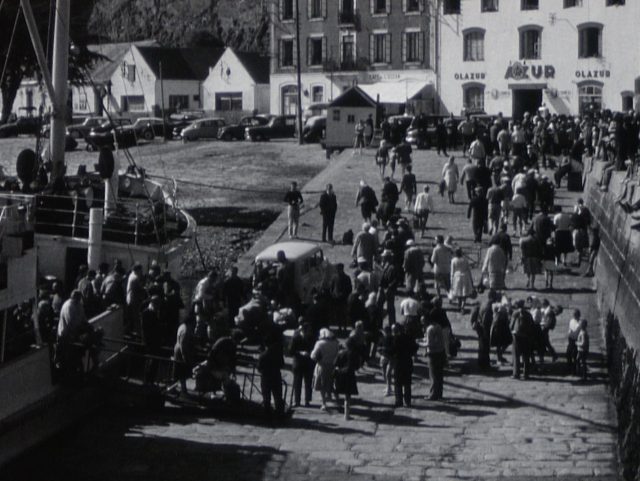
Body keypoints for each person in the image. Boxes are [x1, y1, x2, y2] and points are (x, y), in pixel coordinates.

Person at [258, 322, 286, 417]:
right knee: (278, 396)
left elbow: (259, 368)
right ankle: (280, 414)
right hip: (276, 376)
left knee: (266, 398)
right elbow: (282, 364)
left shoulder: (263, 355)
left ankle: (267, 414)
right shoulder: (278, 354)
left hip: (266, 378)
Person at [310, 328, 340, 411]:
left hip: (322, 366)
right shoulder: (335, 343)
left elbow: (313, 356)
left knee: (322, 385)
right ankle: (336, 400)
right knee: (332, 383)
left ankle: (324, 403)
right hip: (332, 365)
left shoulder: (319, 343)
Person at [470, 289, 500, 370]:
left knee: (482, 347)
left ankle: (482, 363)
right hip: (484, 329)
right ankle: (485, 365)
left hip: (480, 328)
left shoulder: (484, 303)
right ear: (493, 297)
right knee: (485, 348)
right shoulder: (488, 306)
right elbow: (486, 321)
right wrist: (488, 333)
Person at [390, 323, 418, 408]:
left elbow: (392, 350)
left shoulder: (396, 339)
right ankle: (407, 401)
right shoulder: (409, 337)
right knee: (407, 383)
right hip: (408, 361)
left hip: (398, 362)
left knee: (398, 383)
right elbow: (415, 347)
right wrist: (410, 353)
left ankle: (399, 401)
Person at [289, 320, 316, 407]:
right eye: (308, 330)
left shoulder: (312, 338)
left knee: (308, 383)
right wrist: (300, 353)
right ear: (304, 330)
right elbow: (290, 351)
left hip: (308, 363)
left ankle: (307, 401)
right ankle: (297, 401)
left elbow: (315, 349)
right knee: (297, 383)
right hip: (298, 363)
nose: (310, 332)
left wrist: (310, 352)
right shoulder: (296, 338)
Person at [334, 336, 360, 420]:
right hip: (350, 374)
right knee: (347, 395)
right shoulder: (355, 354)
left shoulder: (340, 353)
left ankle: (338, 406)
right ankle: (347, 414)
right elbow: (357, 366)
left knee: (337, 391)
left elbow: (335, 363)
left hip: (340, 373)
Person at [141, 295, 164, 386]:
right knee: (150, 362)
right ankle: (147, 381)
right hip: (150, 342)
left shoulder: (154, 312)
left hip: (156, 342)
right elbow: (145, 330)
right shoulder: (146, 313)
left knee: (154, 363)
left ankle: (151, 381)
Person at [510, 299, 534, 380]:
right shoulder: (528, 314)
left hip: (516, 337)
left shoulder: (515, 313)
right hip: (526, 337)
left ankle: (516, 373)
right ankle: (526, 374)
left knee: (516, 355)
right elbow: (532, 325)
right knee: (526, 356)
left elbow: (511, 326)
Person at [423, 315, 446, 400]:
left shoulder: (429, 329)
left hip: (433, 354)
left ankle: (433, 394)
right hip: (441, 352)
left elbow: (429, 344)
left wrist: (419, 344)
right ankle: (439, 393)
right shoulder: (438, 326)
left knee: (433, 375)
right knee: (439, 375)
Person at [173, 313, 196, 394]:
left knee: (179, 372)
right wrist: (185, 357)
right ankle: (182, 390)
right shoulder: (186, 330)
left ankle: (182, 389)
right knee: (181, 372)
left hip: (178, 350)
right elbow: (183, 345)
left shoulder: (182, 326)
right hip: (181, 352)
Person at [379, 250, 400, 326]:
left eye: (384, 257)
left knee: (390, 308)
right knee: (380, 306)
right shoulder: (386, 265)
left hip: (389, 290)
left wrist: (389, 287)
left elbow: (396, 279)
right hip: (384, 288)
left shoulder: (393, 267)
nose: (382, 258)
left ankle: (392, 323)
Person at [126, 263, 147, 333]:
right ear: (138, 270)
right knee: (136, 317)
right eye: (141, 270)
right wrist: (145, 288)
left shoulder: (131, 275)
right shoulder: (135, 278)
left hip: (130, 298)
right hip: (134, 299)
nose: (141, 272)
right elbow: (140, 289)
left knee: (132, 317)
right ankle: (136, 332)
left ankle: (132, 331)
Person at [566, 309, 582, 374]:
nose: (574, 316)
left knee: (575, 356)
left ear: (578, 315)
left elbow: (576, 330)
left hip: (576, 340)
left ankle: (574, 370)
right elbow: (570, 328)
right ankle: (569, 367)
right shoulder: (572, 320)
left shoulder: (580, 323)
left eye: (575, 314)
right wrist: (569, 332)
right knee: (568, 354)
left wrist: (571, 332)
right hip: (570, 339)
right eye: (574, 314)